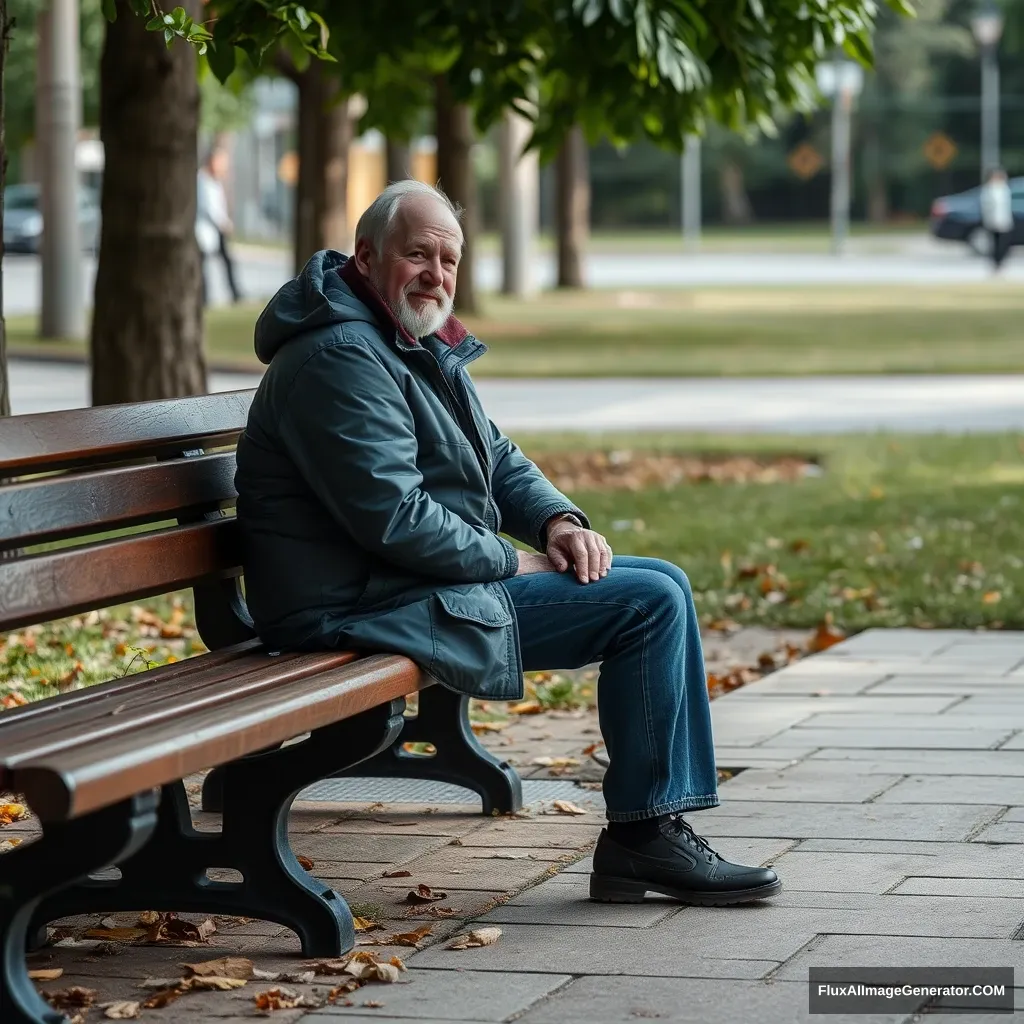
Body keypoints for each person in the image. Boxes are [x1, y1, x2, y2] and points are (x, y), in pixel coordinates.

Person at [234, 180, 781, 907]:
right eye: (418, 254)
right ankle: (645, 840)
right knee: (647, 603)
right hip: (353, 604)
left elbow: (493, 455)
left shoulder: (402, 339)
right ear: (366, 257)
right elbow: (392, 515)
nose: (436, 274)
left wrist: (559, 522)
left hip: (396, 587)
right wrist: (506, 559)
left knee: (664, 583)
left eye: (449, 259)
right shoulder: (341, 357)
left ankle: (650, 832)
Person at [196, 146, 243, 305]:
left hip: (215, 230)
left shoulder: (214, 181)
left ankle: (235, 293)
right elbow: (208, 208)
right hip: (206, 230)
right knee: (202, 267)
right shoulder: (202, 180)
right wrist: (224, 224)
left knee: (227, 261)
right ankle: (205, 298)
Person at [980, 167, 1014, 271]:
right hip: (992, 221)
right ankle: (995, 262)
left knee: (1003, 243)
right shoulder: (989, 189)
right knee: (994, 243)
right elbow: (985, 206)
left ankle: (1000, 261)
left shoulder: (1004, 189)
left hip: (1004, 220)